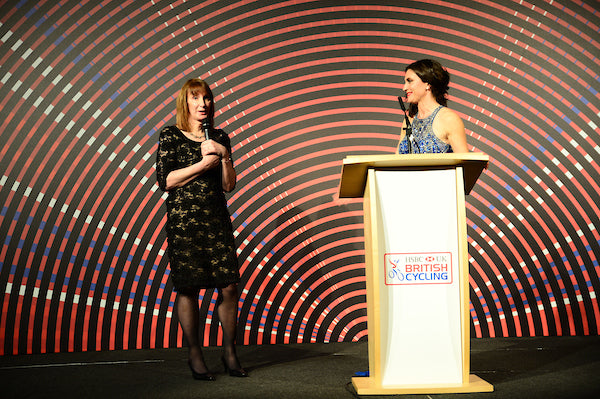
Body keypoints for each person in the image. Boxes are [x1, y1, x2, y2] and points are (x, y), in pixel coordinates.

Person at [156, 78, 247, 381]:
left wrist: (223, 154)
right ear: (186, 102)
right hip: (184, 223)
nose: (203, 104)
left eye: (207, 98)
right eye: (196, 98)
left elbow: (229, 185)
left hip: (216, 220)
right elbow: (166, 181)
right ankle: (195, 354)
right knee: (188, 288)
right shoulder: (170, 135)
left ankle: (229, 352)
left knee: (229, 287)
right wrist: (204, 163)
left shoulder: (219, 136)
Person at [397, 59, 469, 154]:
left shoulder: (449, 119)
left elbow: (465, 162)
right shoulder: (409, 120)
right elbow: (396, 159)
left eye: (410, 81)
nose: (404, 88)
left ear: (428, 84)